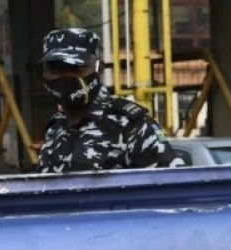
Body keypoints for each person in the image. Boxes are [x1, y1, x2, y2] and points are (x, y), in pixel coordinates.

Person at [37, 28, 183, 174]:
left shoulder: (133, 126)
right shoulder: (55, 126)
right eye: (54, 70)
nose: (65, 78)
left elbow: (175, 181)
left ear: (100, 68)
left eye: (76, 68)